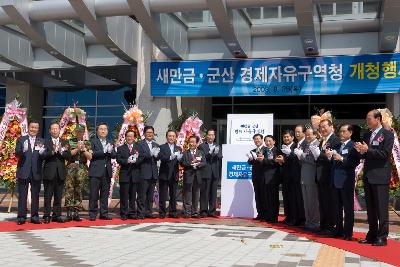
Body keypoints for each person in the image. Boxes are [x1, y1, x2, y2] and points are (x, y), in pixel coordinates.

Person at [356, 110, 394, 246]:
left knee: (381, 208)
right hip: (368, 176)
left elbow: (385, 154)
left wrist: (368, 150)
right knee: (370, 208)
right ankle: (372, 234)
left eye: (369, 118)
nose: (367, 121)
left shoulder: (387, 134)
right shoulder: (367, 135)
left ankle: (382, 237)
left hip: (380, 176)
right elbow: (366, 155)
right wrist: (360, 151)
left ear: (378, 119)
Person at [328, 124, 360, 240]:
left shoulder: (353, 146)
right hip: (336, 180)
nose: (341, 134)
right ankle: (338, 230)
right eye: (340, 131)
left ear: (350, 133)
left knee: (348, 208)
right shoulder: (337, 145)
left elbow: (354, 162)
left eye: (343, 131)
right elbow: (333, 161)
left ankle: (348, 233)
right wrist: (329, 157)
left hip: (346, 181)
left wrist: (341, 158)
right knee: (336, 207)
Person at [15, 119, 46, 225]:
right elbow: (17, 153)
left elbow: (44, 156)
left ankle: (34, 216)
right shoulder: (21, 139)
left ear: (38, 129)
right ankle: (21, 217)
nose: (34, 129)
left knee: (35, 196)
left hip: (36, 171)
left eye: (36, 128)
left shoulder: (41, 140)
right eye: (32, 127)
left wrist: (43, 153)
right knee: (22, 195)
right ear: (28, 127)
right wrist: (23, 150)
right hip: (24, 171)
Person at [316, 119, 341, 235]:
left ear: (331, 127)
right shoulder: (322, 140)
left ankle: (330, 226)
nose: (322, 129)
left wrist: (320, 155)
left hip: (329, 176)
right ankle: (323, 224)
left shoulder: (335, 140)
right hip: (321, 176)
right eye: (321, 127)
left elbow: (333, 158)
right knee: (322, 202)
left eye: (325, 126)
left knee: (329, 203)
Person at [276, 128, 305, 226]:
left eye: (287, 136)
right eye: (284, 137)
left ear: (292, 137)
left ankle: (296, 218)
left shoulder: (296, 146)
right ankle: (288, 217)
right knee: (286, 198)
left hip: (295, 176)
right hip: (285, 176)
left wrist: (286, 158)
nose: (286, 138)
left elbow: (297, 160)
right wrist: (279, 160)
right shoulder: (282, 148)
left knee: (295, 199)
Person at [42, 122, 69, 223]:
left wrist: (61, 152)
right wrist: (52, 152)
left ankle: (56, 215)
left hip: (60, 173)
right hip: (49, 172)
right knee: (48, 196)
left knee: (58, 196)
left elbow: (68, 156)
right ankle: (46, 215)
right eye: (52, 129)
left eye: (56, 128)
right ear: (49, 131)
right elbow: (43, 155)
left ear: (59, 130)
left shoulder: (64, 142)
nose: (54, 130)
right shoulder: (46, 142)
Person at [88, 123, 116, 221]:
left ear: (107, 131)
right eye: (101, 129)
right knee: (94, 194)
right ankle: (92, 214)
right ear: (97, 131)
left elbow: (113, 155)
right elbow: (91, 154)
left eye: (105, 129)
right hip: (95, 171)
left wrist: (111, 151)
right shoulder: (92, 141)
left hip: (106, 171)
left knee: (105, 194)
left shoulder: (110, 142)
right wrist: (104, 151)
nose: (103, 131)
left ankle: (104, 213)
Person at [64, 124, 92, 221]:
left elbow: (90, 157)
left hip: (82, 167)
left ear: (84, 133)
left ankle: (76, 212)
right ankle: (69, 211)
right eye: (78, 131)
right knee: (69, 188)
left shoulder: (87, 143)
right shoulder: (70, 141)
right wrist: (76, 149)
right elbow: (67, 155)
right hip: (71, 166)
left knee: (79, 189)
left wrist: (83, 149)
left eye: (81, 131)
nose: (79, 133)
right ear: (75, 132)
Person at [116, 130, 142, 220]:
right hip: (125, 175)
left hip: (135, 175)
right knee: (124, 195)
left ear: (134, 137)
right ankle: (124, 213)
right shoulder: (120, 148)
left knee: (133, 195)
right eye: (128, 136)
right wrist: (127, 161)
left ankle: (132, 213)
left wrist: (136, 161)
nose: (130, 138)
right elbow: (118, 159)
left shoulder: (138, 147)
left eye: (132, 136)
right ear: (125, 137)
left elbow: (142, 158)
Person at [298, 128, 320, 232]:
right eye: (306, 135)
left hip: (312, 177)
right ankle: (308, 222)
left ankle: (315, 223)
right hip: (304, 176)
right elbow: (304, 160)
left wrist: (301, 156)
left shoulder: (317, 144)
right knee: (306, 201)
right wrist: (301, 156)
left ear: (315, 135)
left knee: (313, 201)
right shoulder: (306, 145)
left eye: (309, 135)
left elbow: (314, 160)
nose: (307, 137)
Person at [158, 130, 183, 219]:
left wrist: (180, 159)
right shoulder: (162, 147)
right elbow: (160, 157)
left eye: (173, 136)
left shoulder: (178, 148)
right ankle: (162, 212)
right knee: (163, 195)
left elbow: (181, 161)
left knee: (173, 195)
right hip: (164, 174)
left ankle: (173, 212)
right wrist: (169, 157)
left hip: (174, 174)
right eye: (169, 136)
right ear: (166, 137)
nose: (171, 137)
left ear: (175, 137)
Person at [198, 129, 222, 218]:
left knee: (213, 193)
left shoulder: (217, 145)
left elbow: (220, 156)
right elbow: (202, 157)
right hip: (205, 172)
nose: (211, 137)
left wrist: (215, 153)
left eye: (212, 135)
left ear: (214, 136)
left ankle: (212, 211)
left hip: (215, 172)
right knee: (205, 192)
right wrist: (210, 153)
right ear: (206, 136)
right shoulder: (201, 146)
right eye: (209, 135)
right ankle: (203, 211)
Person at [137, 126, 160, 218]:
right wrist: (149, 154)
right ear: (144, 133)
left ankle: (148, 212)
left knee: (150, 195)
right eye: (148, 132)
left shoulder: (156, 145)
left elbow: (158, 157)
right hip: (143, 172)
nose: (149, 134)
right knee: (142, 195)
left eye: (151, 132)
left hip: (153, 173)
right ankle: (141, 213)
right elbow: (139, 156)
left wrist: (157, 155)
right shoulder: (139, 144)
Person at [181, 135, 206, 218]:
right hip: (188, 176)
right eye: (190, 142)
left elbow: (204, 163)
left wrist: (198, 165)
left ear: (197, 143)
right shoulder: (185, 152)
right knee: (187, 195)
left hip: (198, 176)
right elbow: (182, 163)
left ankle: (195, 212)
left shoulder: (200, 152)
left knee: (196, 195)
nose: (191, 144)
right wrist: (191, 163)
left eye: (193, 142)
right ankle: (187, 212)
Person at [247, 134, 266, 220]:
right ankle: (260, 214)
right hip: (255, 176)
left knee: (264, 196)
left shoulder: (266, 149)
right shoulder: (253, 151)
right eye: (255, 139)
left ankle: (266, 214)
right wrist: (251, 159)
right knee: (257, 196)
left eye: (258, 139)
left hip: (264, 176)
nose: (257, 141)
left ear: (262, 140)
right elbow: (250, 163)